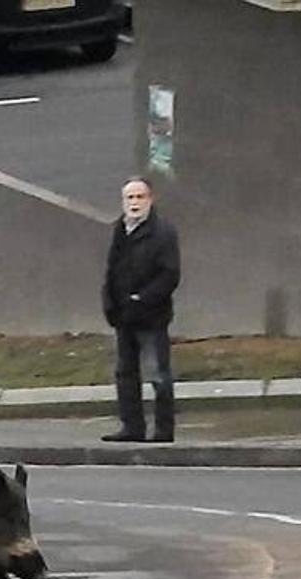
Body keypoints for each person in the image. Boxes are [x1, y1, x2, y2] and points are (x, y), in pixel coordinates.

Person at [101, 176, 181, 443]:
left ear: (150, 199)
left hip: (151, 317)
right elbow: (112, 270)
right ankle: (131, 426)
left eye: (139, 197)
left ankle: (163, 429)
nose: (134, 203)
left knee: (157, 373)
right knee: (125, 373)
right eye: (129, 198)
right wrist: (109, 302)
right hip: (123, 316)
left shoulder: (163, 232)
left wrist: (142, 299)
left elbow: (169, 274)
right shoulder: (119, 230)